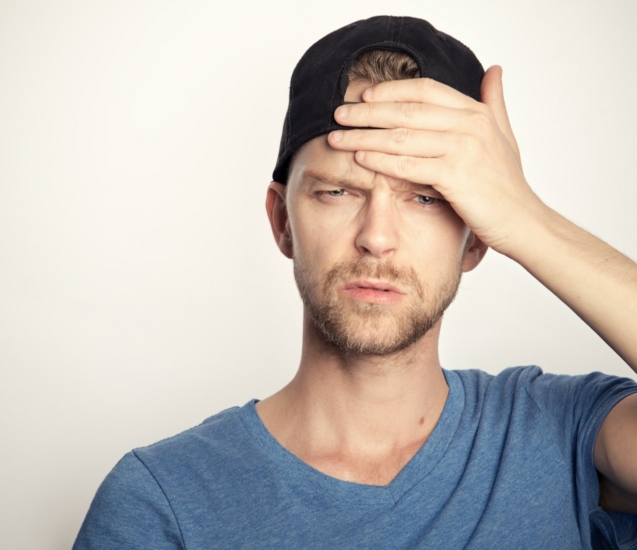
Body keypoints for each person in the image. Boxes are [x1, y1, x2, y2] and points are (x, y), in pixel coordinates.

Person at [73, 15, 637, 549]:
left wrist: (526, 218)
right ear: (282, 221)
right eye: (338, 192)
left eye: (425, 198)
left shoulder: (560, 434)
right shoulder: (161, 501)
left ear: (478, 239)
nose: (377, 237)